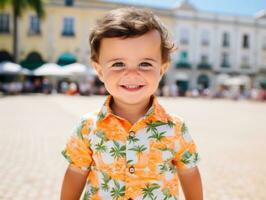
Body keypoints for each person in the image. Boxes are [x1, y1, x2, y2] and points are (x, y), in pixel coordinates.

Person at [60, 7, 203, 200]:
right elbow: (76, 172)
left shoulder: (175, 128)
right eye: (118, 64)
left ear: (162, 69)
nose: (132, 74)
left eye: (145, 64)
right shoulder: (87, 127)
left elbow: (189, 172)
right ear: (99, 70)